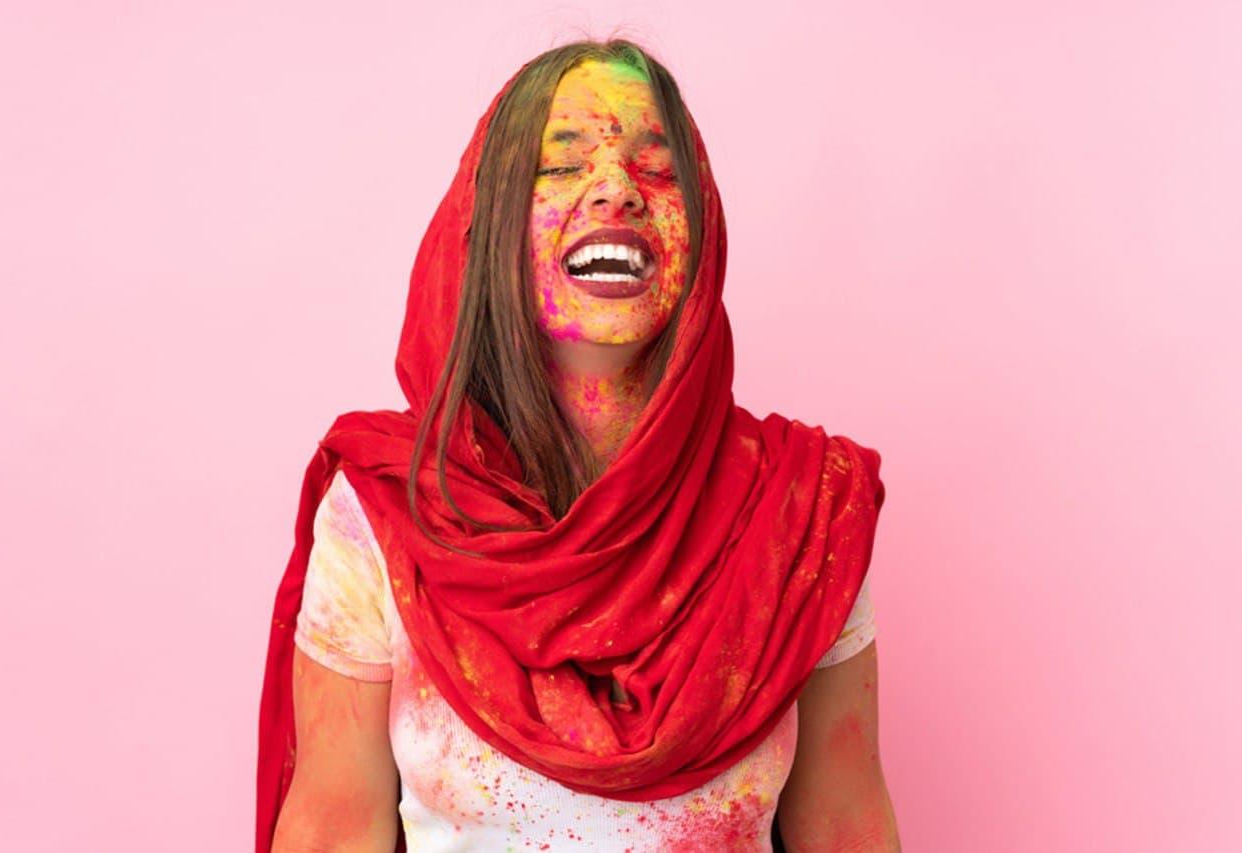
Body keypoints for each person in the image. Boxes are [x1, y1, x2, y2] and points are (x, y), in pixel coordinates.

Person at [257, 39, 901, 852]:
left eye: (657, 168)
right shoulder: (384, 515)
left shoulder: (803, 517)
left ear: (702, 229)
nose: (616, 190)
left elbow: (846, 822)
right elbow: (333, 829)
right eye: (561, 165)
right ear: (489, 227)